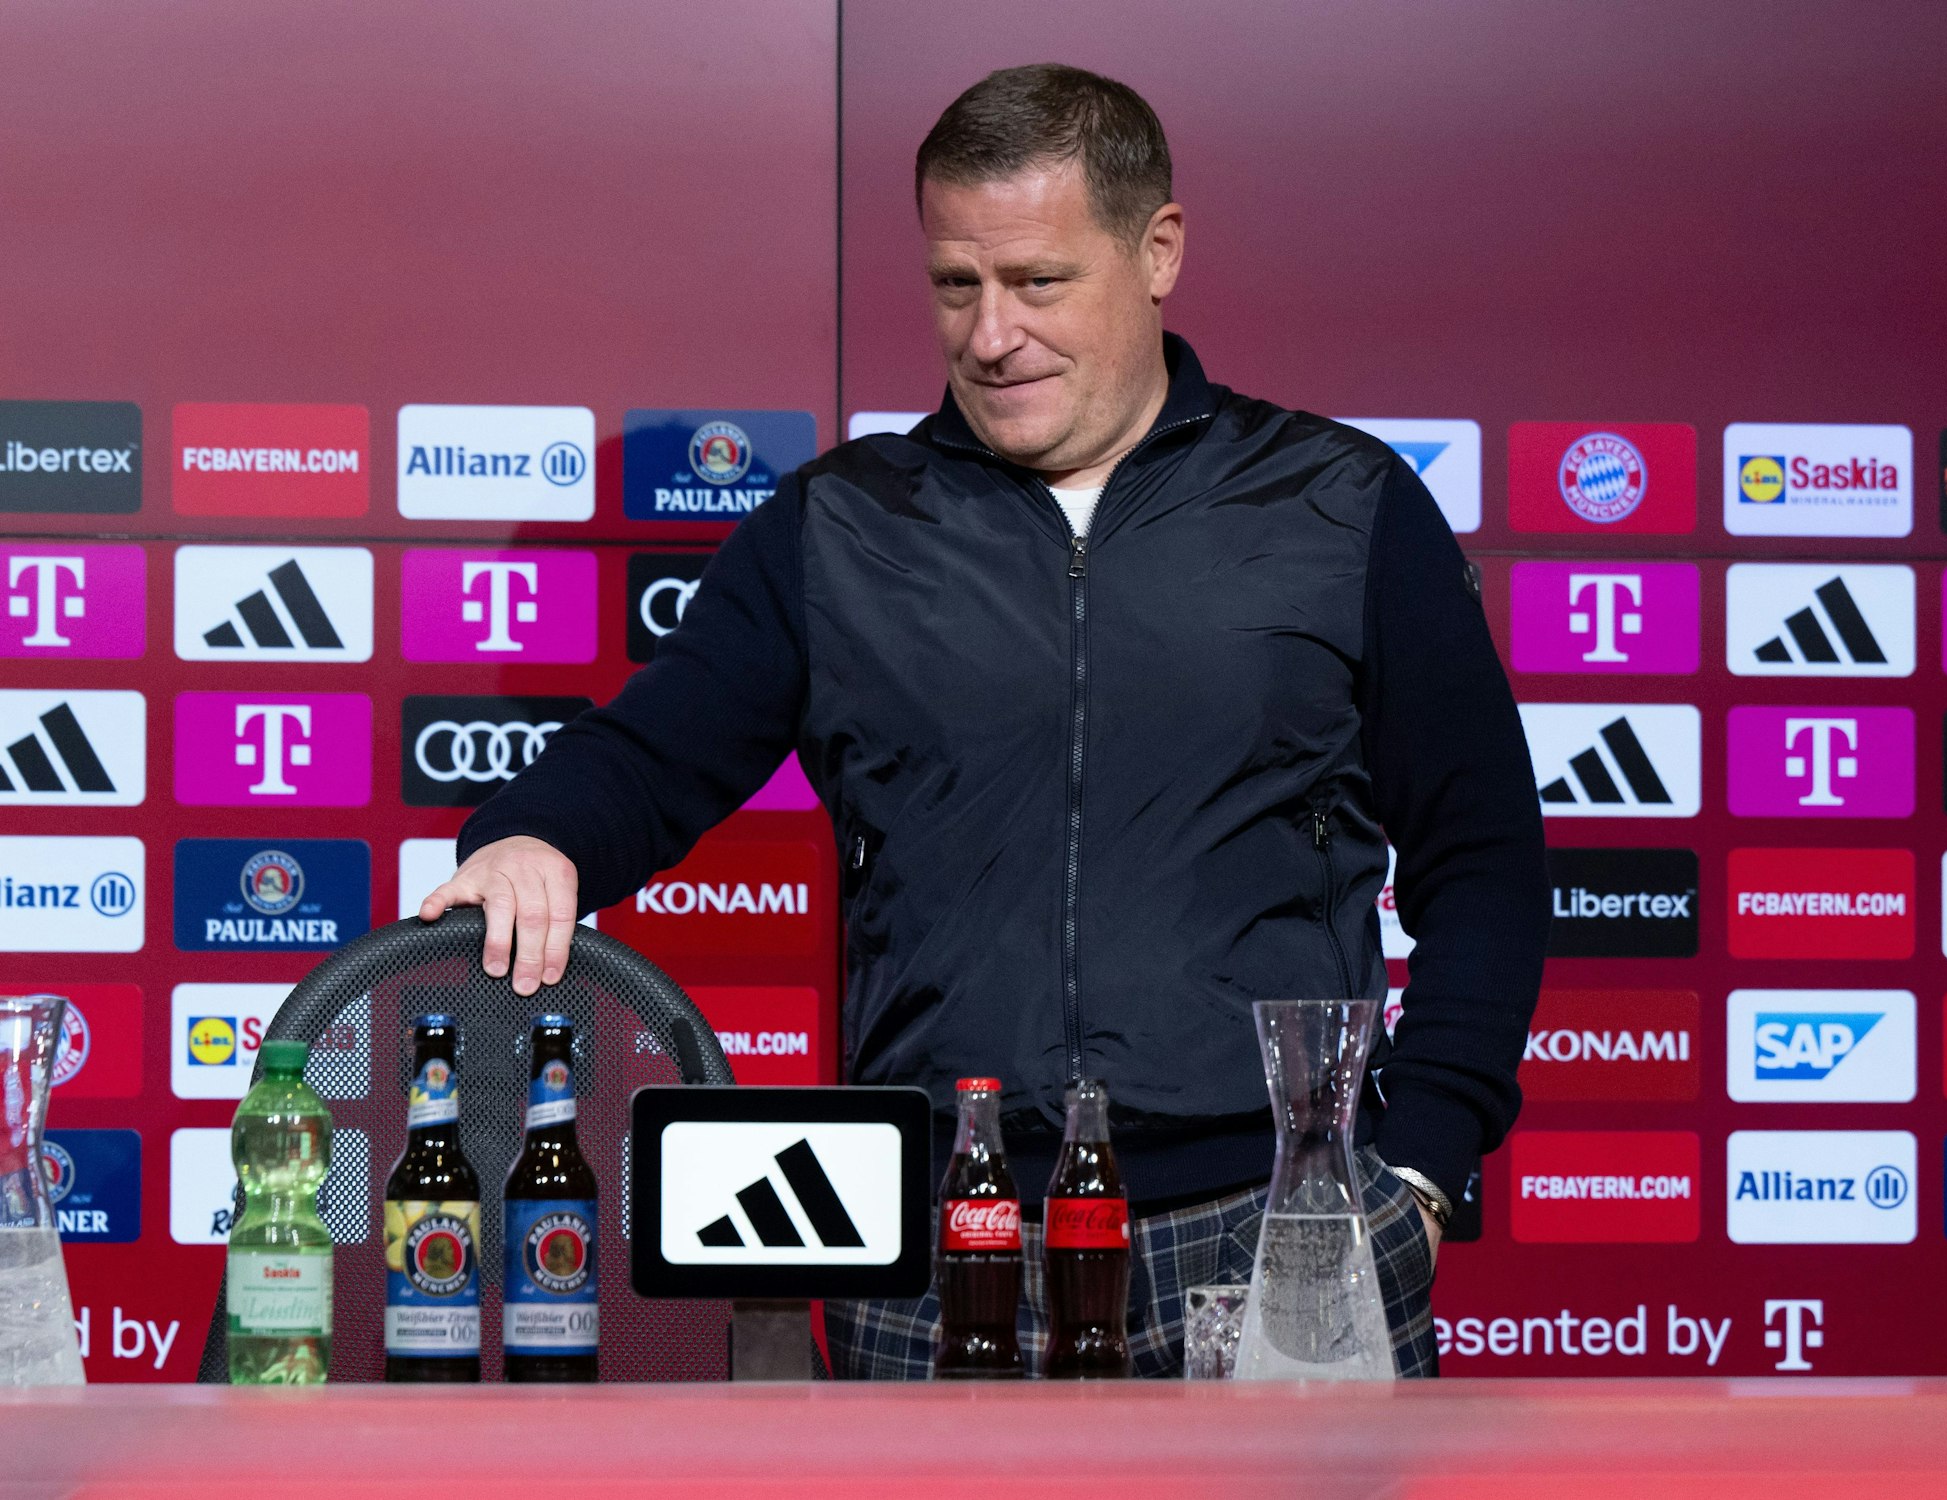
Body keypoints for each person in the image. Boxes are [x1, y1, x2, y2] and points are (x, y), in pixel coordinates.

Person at [425, 62, 1548, 1378]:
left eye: (1039, 283)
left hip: (1274, 1226)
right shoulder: (842, 528)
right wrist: (536, 836)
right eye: (958, 286)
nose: (992, 334)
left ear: (1159, 251)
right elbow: (645, 758)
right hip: (937, 1241)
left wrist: (1418, 1169)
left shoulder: (1343, 510)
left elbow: (1486, 858)